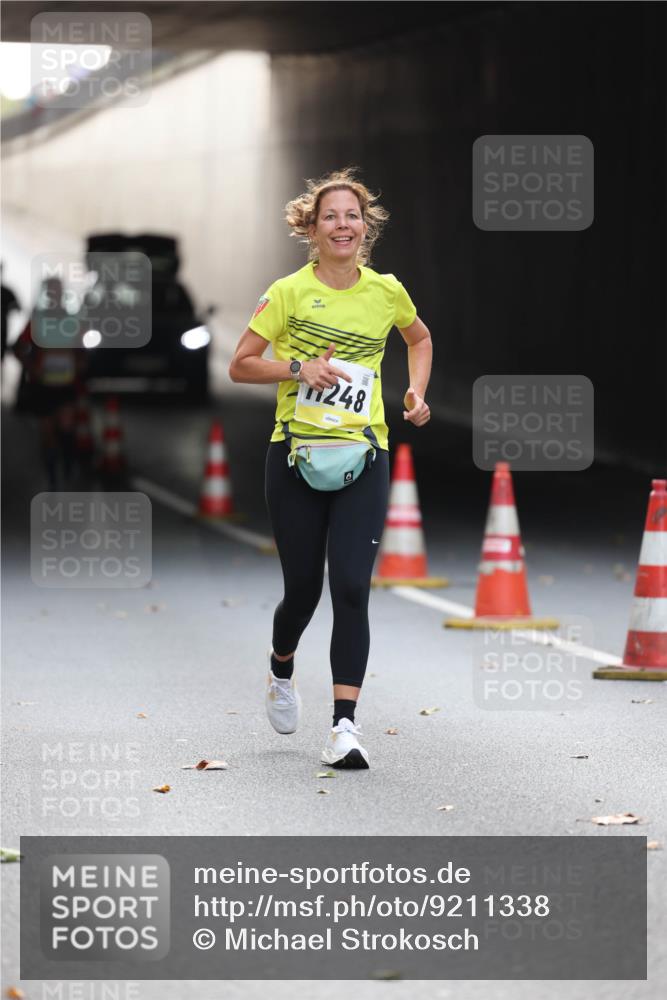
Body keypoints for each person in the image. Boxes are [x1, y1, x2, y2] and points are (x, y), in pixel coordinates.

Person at [229, 168, 432, 769]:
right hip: (293, 456)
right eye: (330, 217)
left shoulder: (386, 290)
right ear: (311, 229)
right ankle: (282, 668)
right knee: (302, 592)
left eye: (352, 216)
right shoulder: (287, 292)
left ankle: (344, 725)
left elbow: (418, 339)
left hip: (365, 454)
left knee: (350, 586)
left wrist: (417, 392)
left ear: (364, 228)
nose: (342, 225)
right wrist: (298, 369)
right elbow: (241, 365)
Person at [13, 277, 87, 489]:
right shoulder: (36, 322)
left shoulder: (72, 320)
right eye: (52, 292)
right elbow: (18, 348)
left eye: (59, 292)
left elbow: (82, 349)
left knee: (66, 427)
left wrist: (80, 362)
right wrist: (30, 367)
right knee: (47, 433)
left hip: (66, 385)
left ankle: (68, 462)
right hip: (43, 386)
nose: (55, 296)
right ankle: (53, 478)